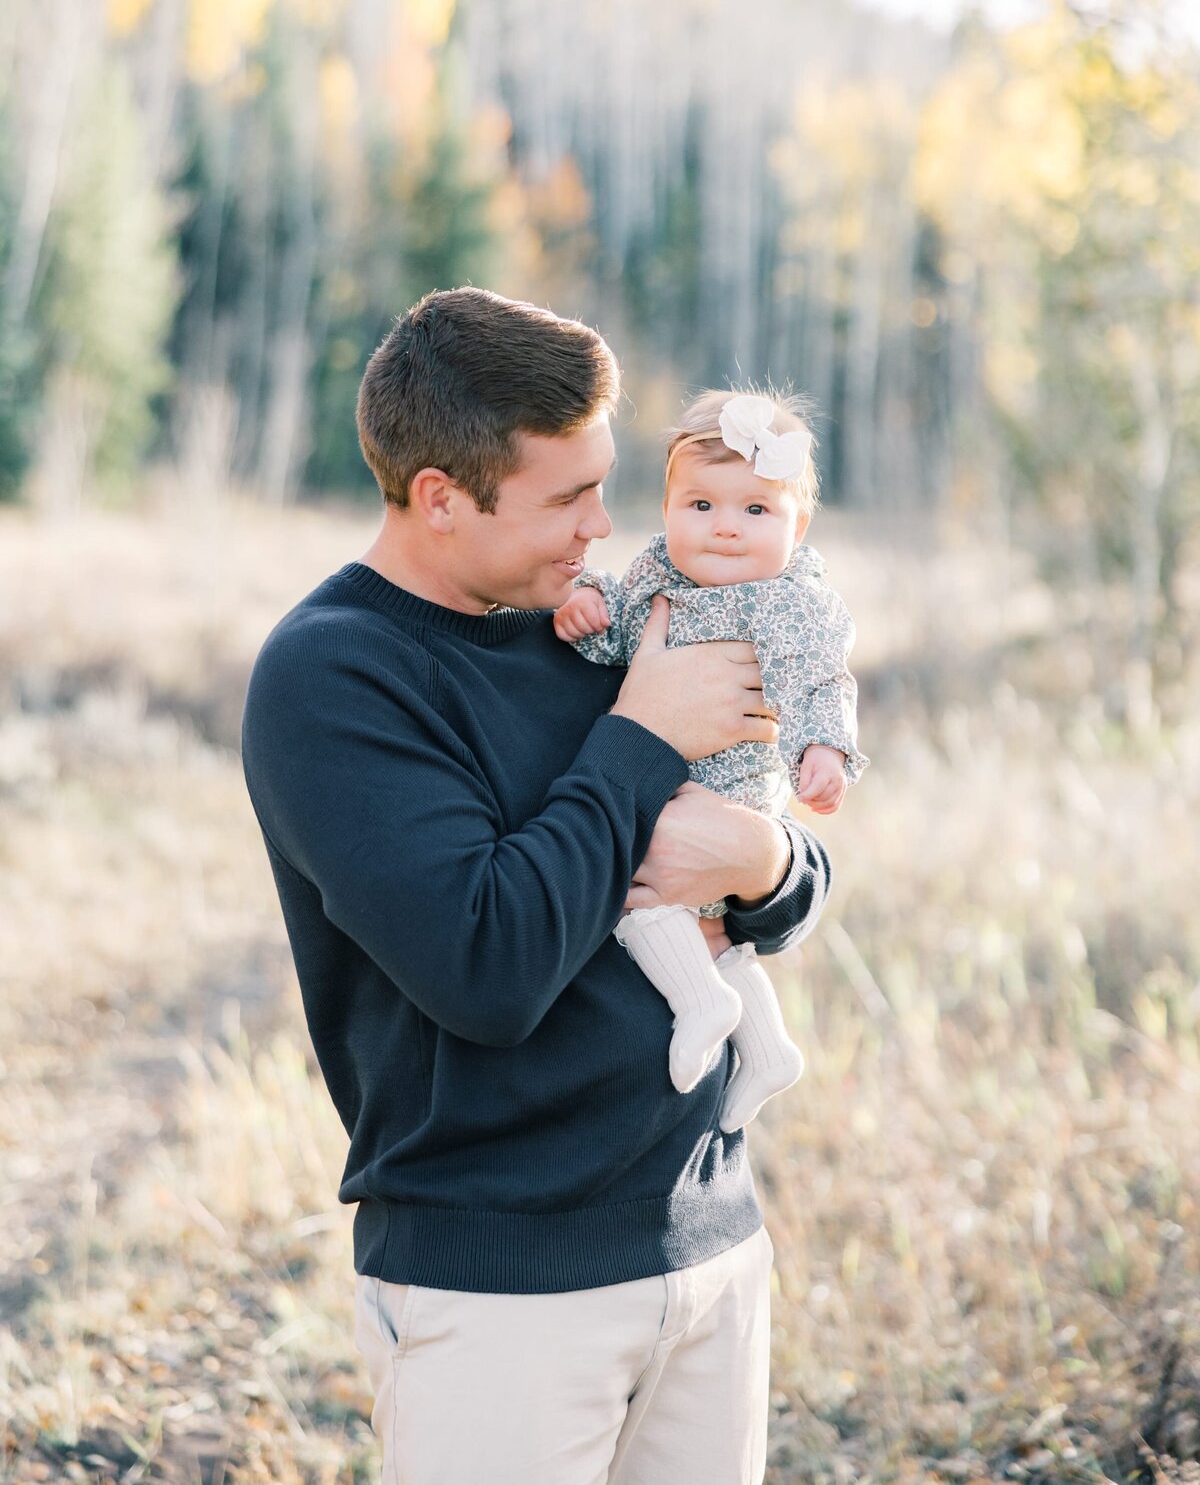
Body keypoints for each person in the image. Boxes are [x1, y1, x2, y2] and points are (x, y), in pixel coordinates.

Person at [241, 288, 833, 1485]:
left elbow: (774, 853)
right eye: (567, 497)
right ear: (440, 496)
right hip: (502, 1294)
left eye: (604, 485)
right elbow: (487, 967)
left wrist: (767, 863)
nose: (601, 526)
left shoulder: (595, 627)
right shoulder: (334, 676)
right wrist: (642, 734)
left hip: (713, 1248)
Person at [553, 388, 866, 1135]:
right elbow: (621, 642)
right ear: (666, 510)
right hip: (663, 770)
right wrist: (588, 610)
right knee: (709, 929)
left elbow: (819, 680)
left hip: (729, 790)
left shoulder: (788, 601)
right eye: (700, 505)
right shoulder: (656, 574)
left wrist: (824, 749)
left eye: (755, 509)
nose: (725, 526)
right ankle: (768, 1049)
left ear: (797, 526)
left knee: (640, 894)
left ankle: (702, 1005)